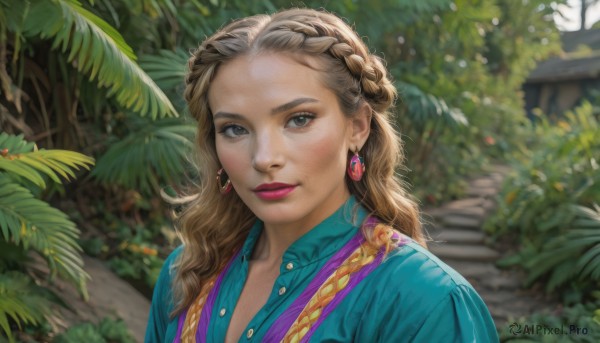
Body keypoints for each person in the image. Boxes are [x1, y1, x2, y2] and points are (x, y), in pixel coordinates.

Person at [145, 8, 499, 343]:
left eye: (299, 119)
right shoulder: (186, 275)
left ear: (357, 127)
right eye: (235, 128)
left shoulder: (426, 302)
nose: (264, 158)